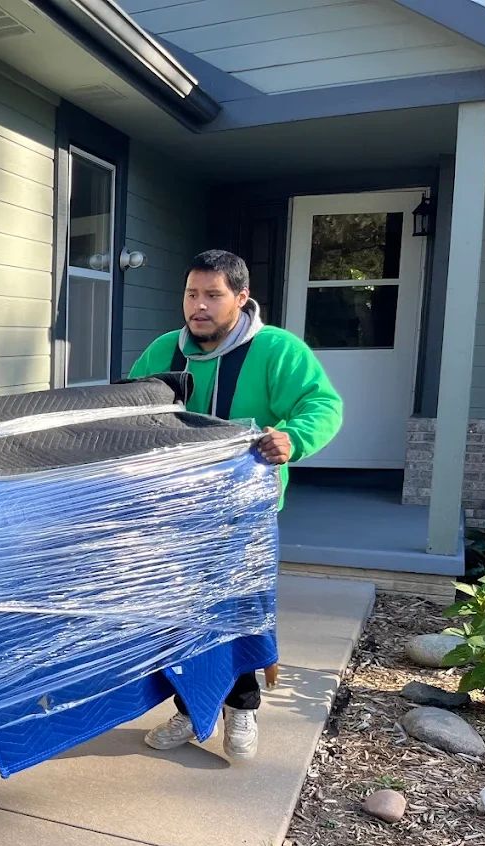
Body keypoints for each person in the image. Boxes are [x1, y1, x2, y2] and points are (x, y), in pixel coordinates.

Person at [127, 249, 342, 760]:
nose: (198, 306)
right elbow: (129, 410)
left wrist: (293, 438)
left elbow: (323, 404)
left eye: (212, 295)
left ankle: (241, 708)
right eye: (191, 294)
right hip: (176, 511)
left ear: (241, 298)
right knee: (179, 616)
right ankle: (190, 708)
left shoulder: (276, 350)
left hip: (243, 514)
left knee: (234, 611)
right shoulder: (164, 350)